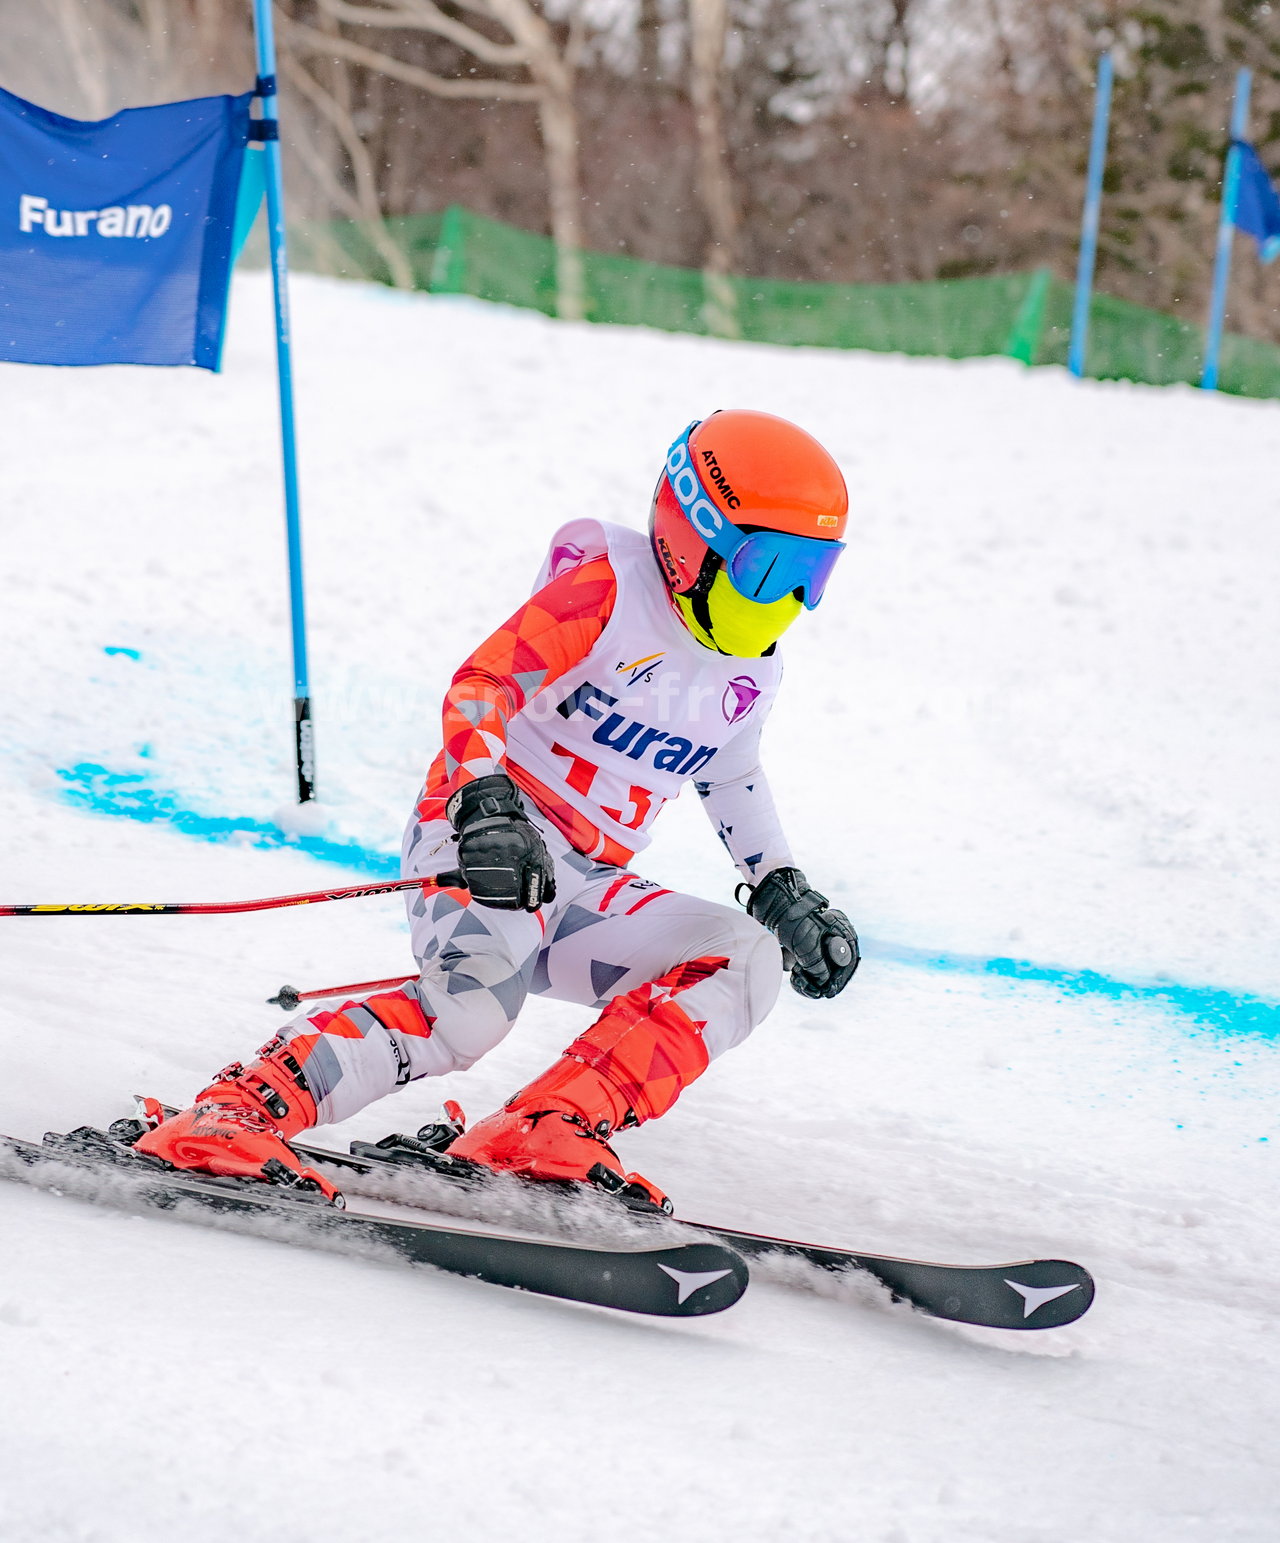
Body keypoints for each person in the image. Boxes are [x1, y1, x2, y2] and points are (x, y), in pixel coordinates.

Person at [137, 410, 860, 1211]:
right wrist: (487, 803)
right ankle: (231, 1115)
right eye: (769, 570)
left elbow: (733, 775)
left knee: (745, 955)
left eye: (813, 574)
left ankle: (545, 1129)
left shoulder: (752, 670)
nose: (790, 599)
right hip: (487, 839)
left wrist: (783, 889)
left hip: (584, 881)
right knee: (469, 1017)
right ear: (693, 540)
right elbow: (483, 685)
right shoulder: (609, 593)